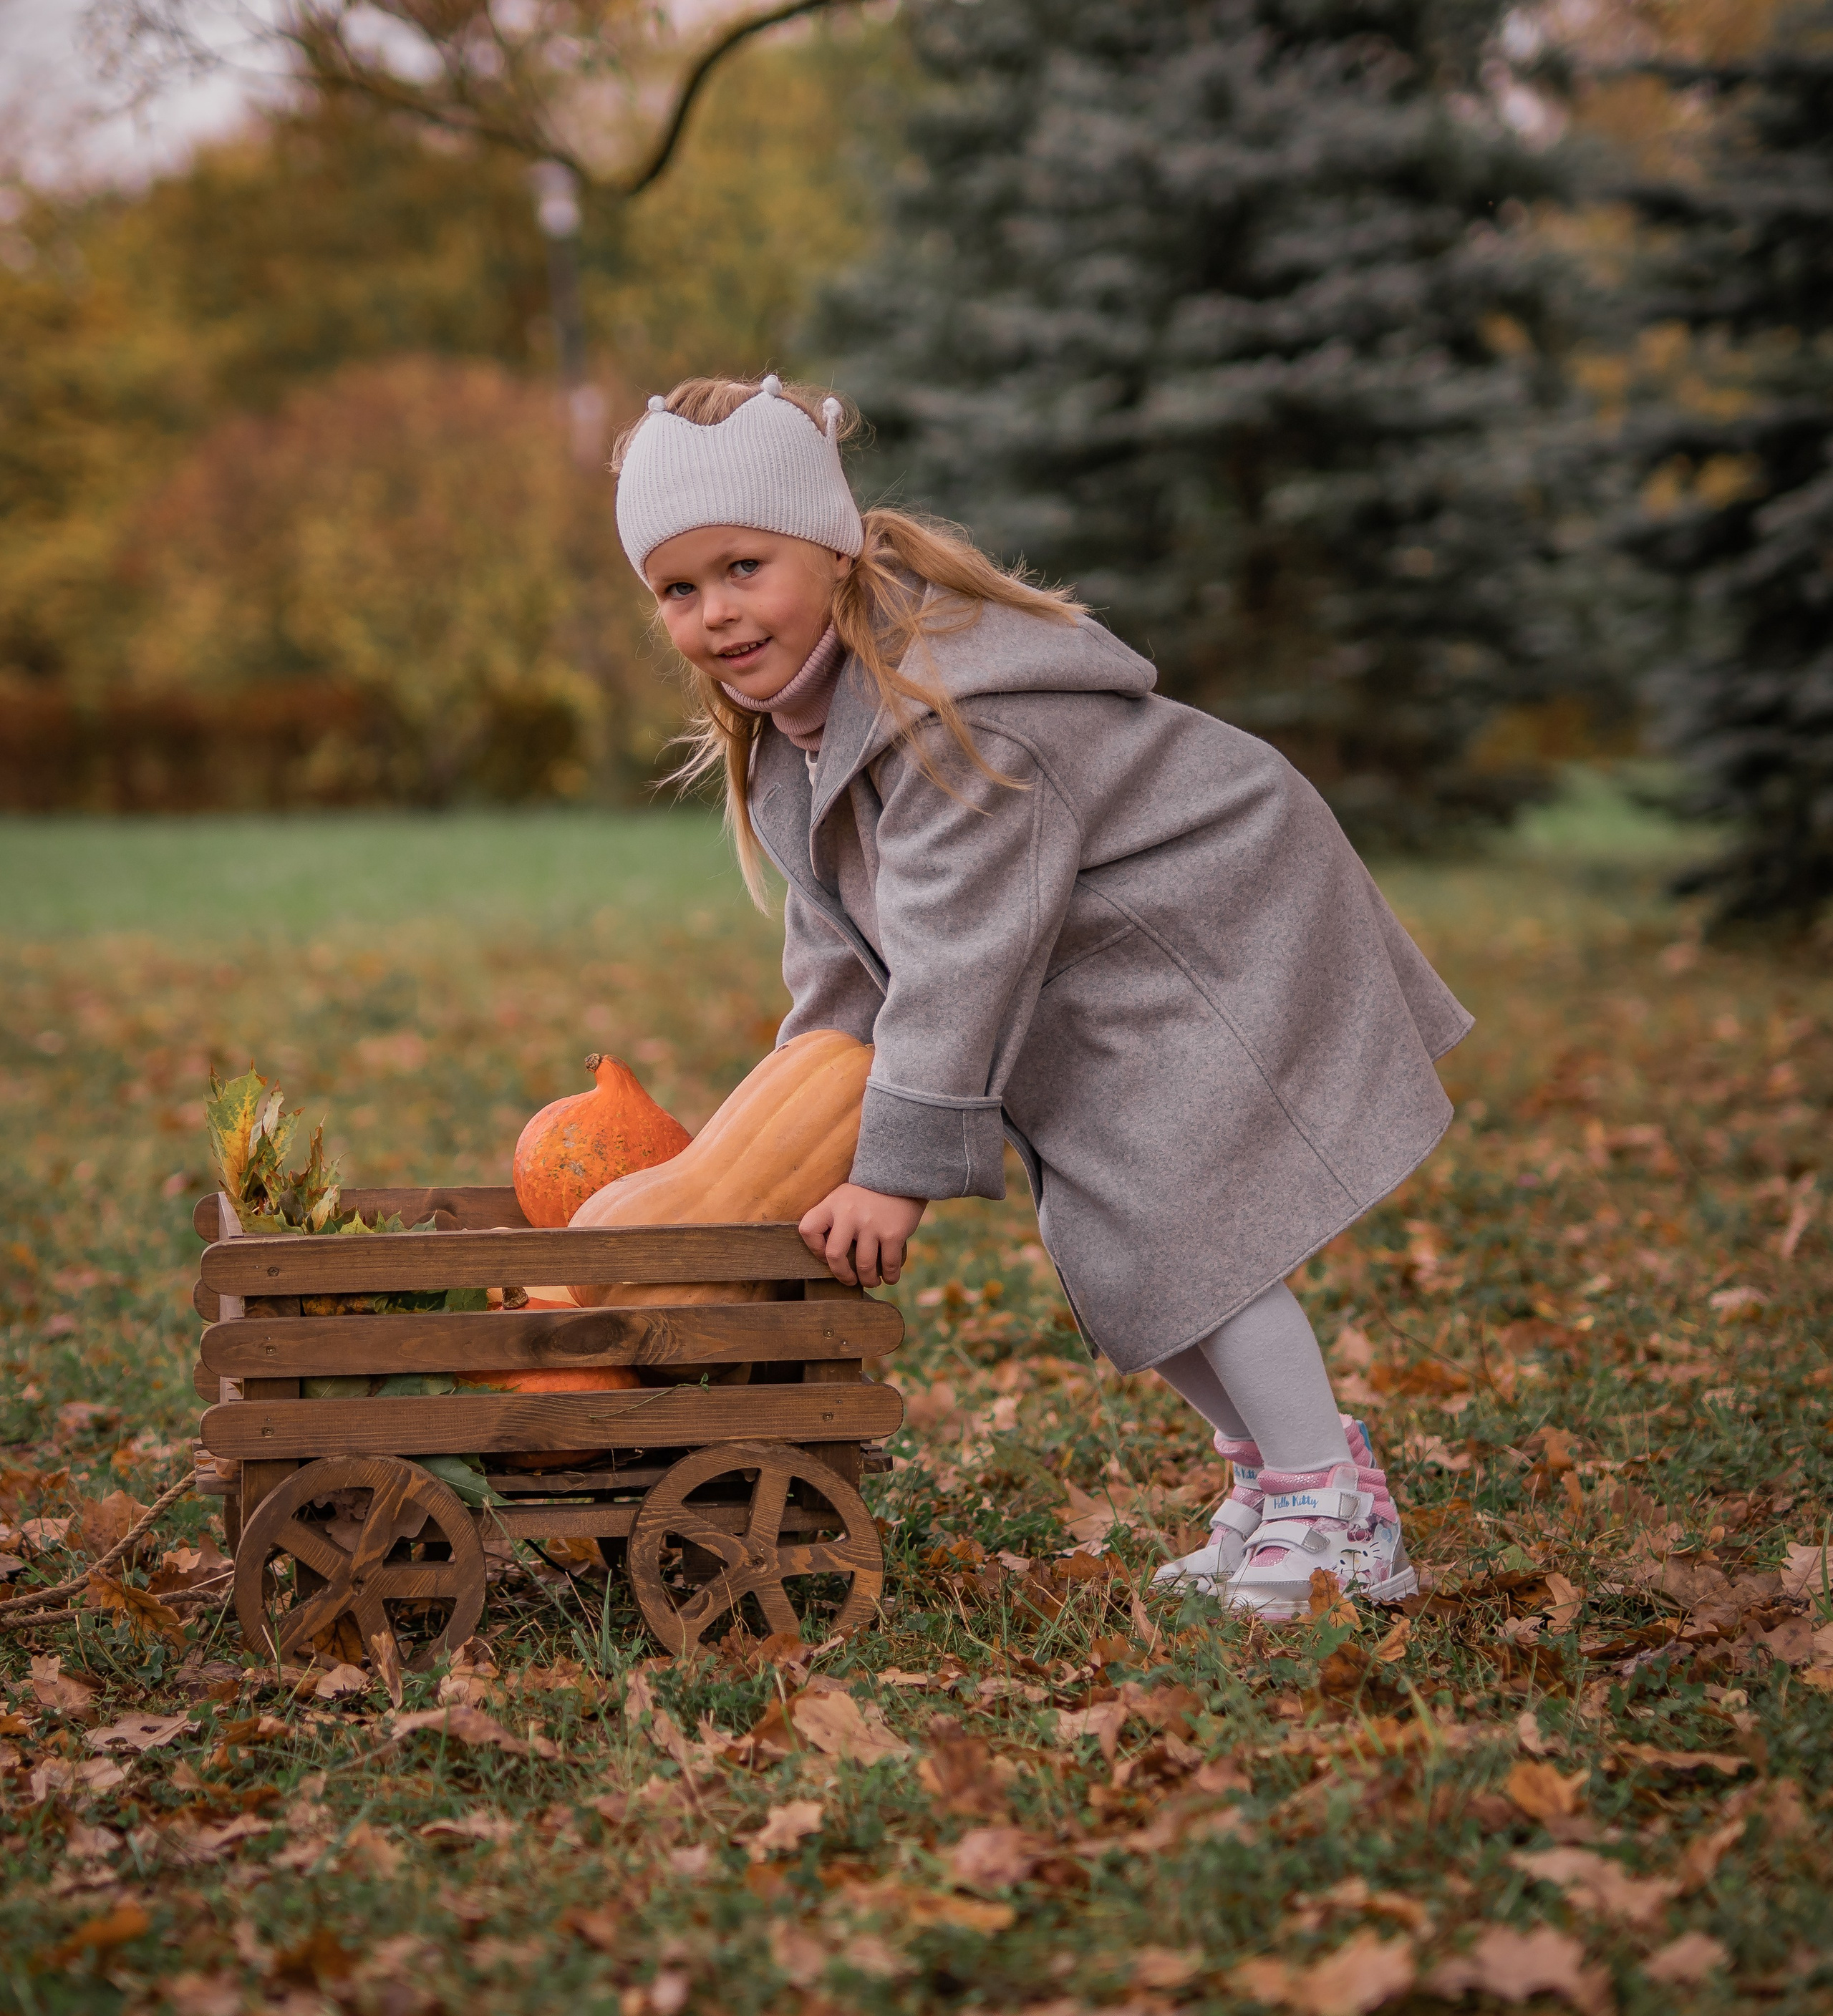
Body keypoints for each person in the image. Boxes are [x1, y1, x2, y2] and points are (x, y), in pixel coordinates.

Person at [611, 373, 1471, 1618]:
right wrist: (789, 1137)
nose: (716, 613)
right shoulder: (800, 733)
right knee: (1108, 1229)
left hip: (1209, 909)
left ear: (832, 548)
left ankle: (1329, 1501)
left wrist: (894, 1172)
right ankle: (1276, 1481)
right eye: (678, 590)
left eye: (744, 566)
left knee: (1188, 1223)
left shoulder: (954, 719)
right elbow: (846, 964)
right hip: (1095, 948)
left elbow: (956, 956)